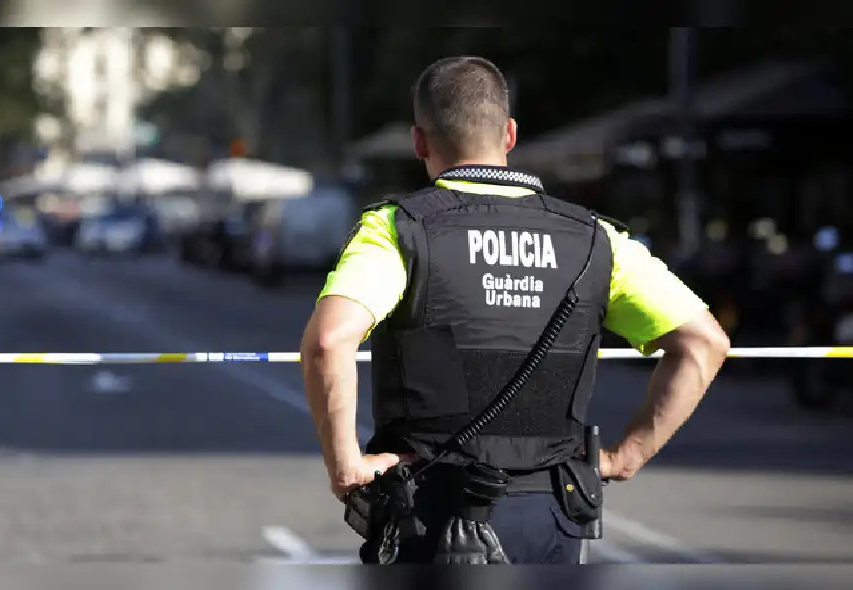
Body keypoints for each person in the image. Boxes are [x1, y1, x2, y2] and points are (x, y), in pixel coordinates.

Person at [299, 56, 730, 564]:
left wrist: (346, 466)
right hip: (553, 515)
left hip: (431, 512)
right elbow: (704, 343)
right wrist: (627, 456)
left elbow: (329, 341)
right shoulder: (597, 240)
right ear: (509, 134)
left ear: (419, 141)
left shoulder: (399, 230)